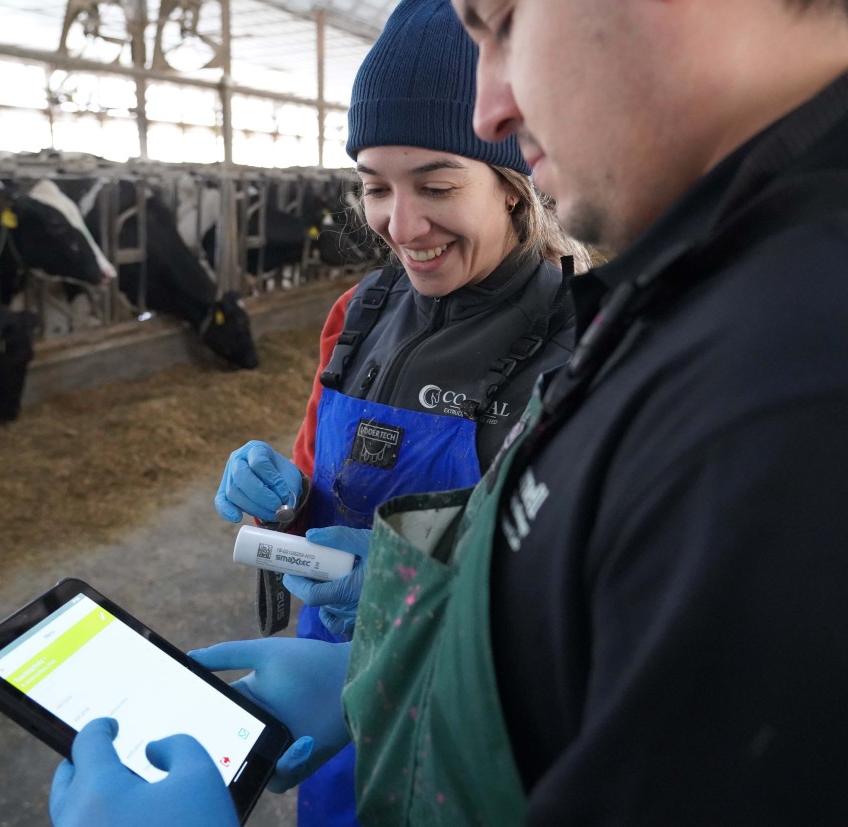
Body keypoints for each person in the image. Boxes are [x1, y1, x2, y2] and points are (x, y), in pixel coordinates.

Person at [50, 0, 848, 824]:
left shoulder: (833, 410)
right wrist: (392, 661)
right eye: (377, 187)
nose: (495, 103)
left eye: (505, 22)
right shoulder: (726, 298)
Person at [208, 1, 583, 825]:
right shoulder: (361, 312)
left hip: (460, 728)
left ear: (516, 188)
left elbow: (569, 606)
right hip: (323, 699)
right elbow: (315, 488)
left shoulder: (577, 348)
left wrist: (409, 587)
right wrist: (280, 497)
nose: (401, 225)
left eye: (437, 184)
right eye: (375, 187)